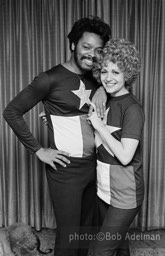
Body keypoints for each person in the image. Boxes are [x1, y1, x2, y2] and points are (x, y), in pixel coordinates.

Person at [3, 17, 111, 256]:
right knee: (69, 236)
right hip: (66, 170)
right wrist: (39, 150)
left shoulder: (99, 78)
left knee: (85, 232)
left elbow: (123, 89)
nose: (92, 54)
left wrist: (103, 88)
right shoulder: (49, 78)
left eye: (98, 50)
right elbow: (11, 111)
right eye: (86, 46)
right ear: (73, 45)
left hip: (94, 166)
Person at [87, 38, 145, 256]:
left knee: (101, 251)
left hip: (125, 194)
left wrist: (99, 126)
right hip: (104, 190)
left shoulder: (133, 109)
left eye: (116, 72)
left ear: (127, 75)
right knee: (119, 249)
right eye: (104, 71)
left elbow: (125, 156)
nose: (108, 78)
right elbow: (97, 146)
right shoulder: (105, 102)